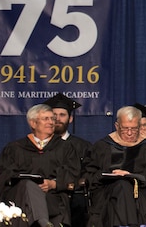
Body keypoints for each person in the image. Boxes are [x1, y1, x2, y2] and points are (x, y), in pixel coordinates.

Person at [84, 104, 146, 227]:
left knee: (123, 185)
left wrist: (131, 176)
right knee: (121, 185)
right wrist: (110, 176)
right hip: (106, 195)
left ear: (140, 126)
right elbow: (90, 174)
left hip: (140, 194)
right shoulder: (102, 146)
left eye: (134, 129)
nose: (129, 133)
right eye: (125, 129)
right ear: (117, 126)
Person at [0, 103, 78, 227]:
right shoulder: (15, 148)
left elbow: (73, 173)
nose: (51, 122)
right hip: (19, 197)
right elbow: (1, 174)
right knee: (27, 185)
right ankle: (41, 223)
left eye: (52, 119)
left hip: (52, 196)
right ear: (33, 123)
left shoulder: (65, 148)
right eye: (46, 119)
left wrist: (53, 184)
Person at [43, 94, 89, 227]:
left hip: (73, 194)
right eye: (54, 115)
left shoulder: (82, 146)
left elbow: (88, 172)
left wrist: (69, 184)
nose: (57, 119)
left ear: (70, 119)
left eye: (62, 115)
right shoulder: (38, 145)